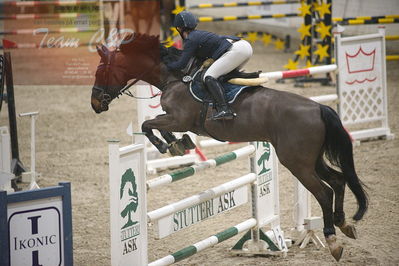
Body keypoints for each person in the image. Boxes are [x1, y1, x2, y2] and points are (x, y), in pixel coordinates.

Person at [166, 11, 253, 120]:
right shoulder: (198, 35)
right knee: (221, 75)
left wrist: (167, 66)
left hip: (237, 50)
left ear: (179, 28)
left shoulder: (190, 40)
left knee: (209, 77)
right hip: (244, 47)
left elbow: (181, 64)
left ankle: (225, 109)